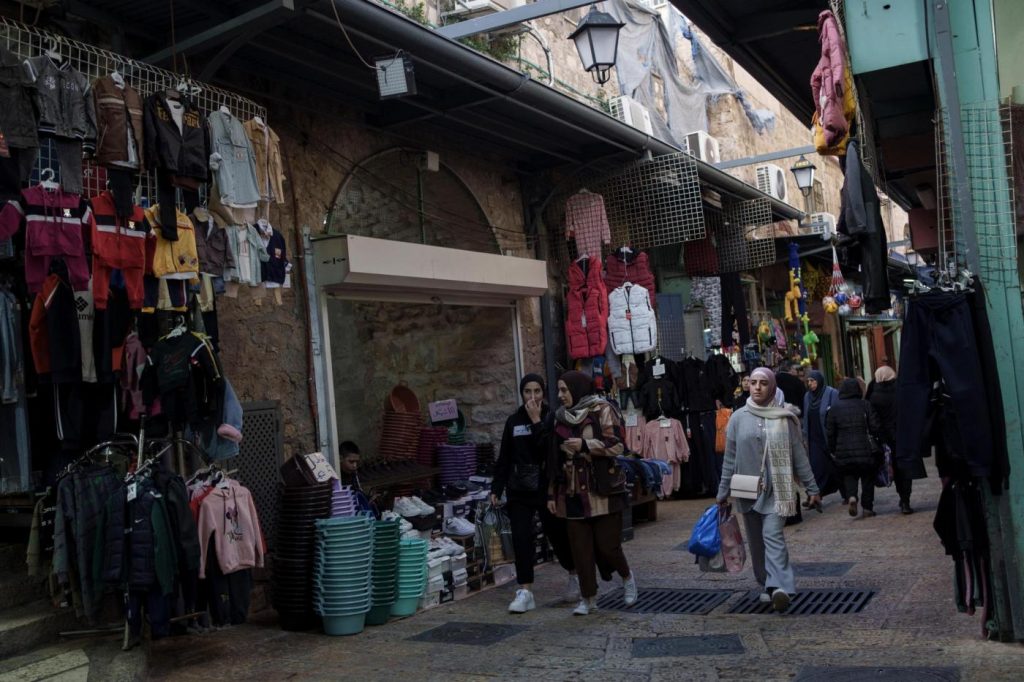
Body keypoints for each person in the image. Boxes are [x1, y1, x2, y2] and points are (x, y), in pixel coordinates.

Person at [717, 368, 821, 612]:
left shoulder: (784, 418)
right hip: (747, 490)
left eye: (763, 383)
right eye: (753, 382)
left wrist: (812, 488)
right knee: (756, 542)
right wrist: (722, 492)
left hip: (778, 488)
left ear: (772, 387)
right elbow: (729, 459)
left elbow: (799, 456)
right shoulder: (737, 418)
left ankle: (779, 587)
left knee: (772, 535)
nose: (757, 387)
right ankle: (765, 583)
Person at [547, 370, 636, 616]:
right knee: (580, 548)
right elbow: (553, 458)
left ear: (577, 389)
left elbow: (618, 445)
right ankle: (588, 598)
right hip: (573, 490)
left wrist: (585, 445)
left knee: (608, 545)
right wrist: (552, 494)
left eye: (565, 390)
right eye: (560, 390)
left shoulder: (602, 409)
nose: (561, 395)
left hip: (602, 489)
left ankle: (627, 578)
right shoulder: (559, 418)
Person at [491, 373, 578, 614]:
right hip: (519, 488)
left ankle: (574, 574)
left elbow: (549, 451)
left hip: (545, 487)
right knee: (521, 537)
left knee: (557, 534)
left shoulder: (552, 418)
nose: (532, 397)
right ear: (522, 394)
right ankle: (525, 590)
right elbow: (505, 457)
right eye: (527, 392)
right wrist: (496, 488)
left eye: (537, 391)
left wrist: (537, 420)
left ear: (543, 392)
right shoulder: (513, 421)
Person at [826, 378, 883, 518]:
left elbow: (830, 433)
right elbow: (875, 426)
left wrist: (833, 449)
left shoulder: (835, 408)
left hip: (843, 450)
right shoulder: (865, 405)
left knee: (849, 476)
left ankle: (851, 496)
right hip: (865, 449)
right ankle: (867, 507)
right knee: (867, 478)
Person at [868, 366, 921, 514]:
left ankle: (903, 497)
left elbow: (874, 420)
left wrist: (880, 436)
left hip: (887, 438)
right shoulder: (901, 390)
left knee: (895, 468)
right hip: (904, 434)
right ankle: (906, 499)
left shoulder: (874, 396)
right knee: (905, 468)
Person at [802, 370, 842, 500]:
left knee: (835, 466)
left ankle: (846, 492)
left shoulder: (831, 393)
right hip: (814, 438)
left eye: (813, 381)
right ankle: (814, 496)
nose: (810, 384)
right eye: (808, 381)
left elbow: (837, 413)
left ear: (819, 381)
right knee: (816, 466)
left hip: (828, 435)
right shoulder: (807, 397)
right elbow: (806, 417)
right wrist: (805, 436)